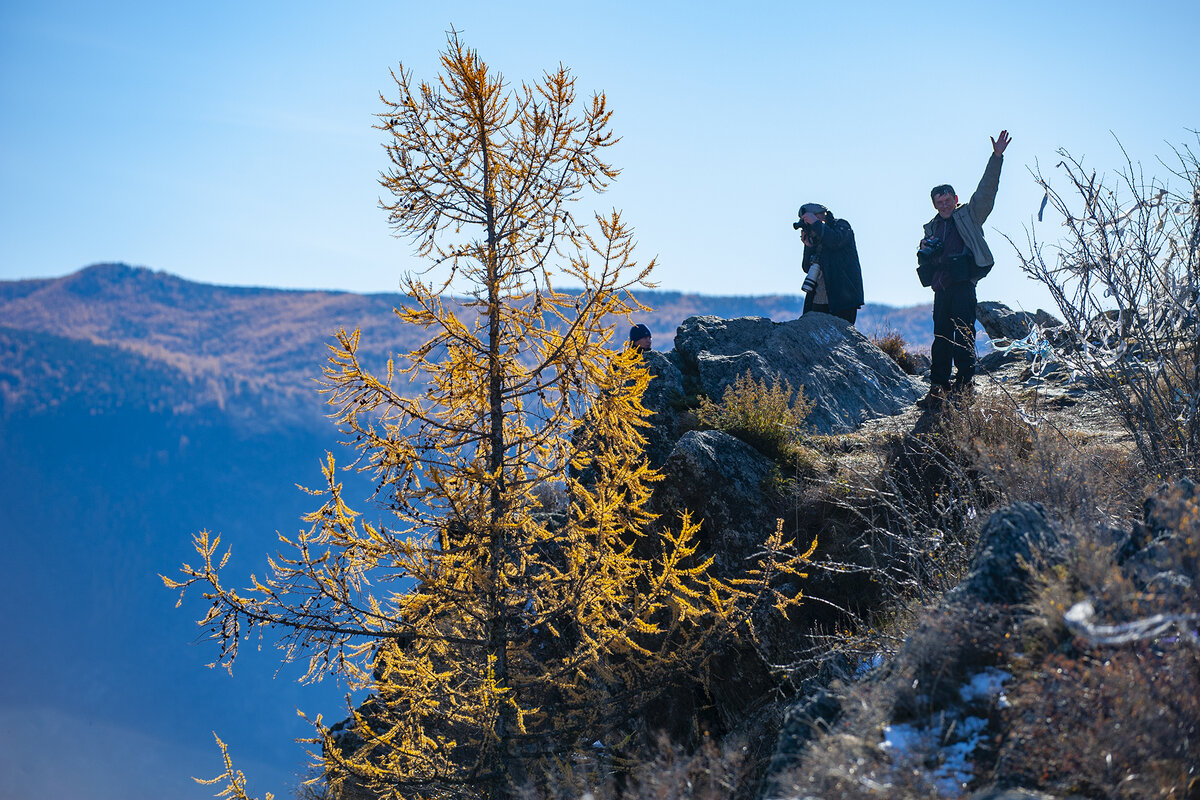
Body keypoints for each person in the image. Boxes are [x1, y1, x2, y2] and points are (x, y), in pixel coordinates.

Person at [915, 130, 1011, 409]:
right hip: (941, 288)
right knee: (940, 339)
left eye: (947, 201)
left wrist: (996, 157)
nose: (944, 206)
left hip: (964, 285)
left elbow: (986, 191)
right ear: (934, 204)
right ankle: (939, 388)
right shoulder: (931, 227)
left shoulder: (969, 215)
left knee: (964, 335)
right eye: (939, 203)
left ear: (955, 199)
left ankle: (966, 387)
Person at [795, 203, 864, 324]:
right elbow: (806, 268)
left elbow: (834, 241)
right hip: (817, 299)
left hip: (843, 299)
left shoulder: (841, 226)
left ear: (819, 216)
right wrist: (808, 246)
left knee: (841, 339)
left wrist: (816, 224)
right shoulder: (817, 236)